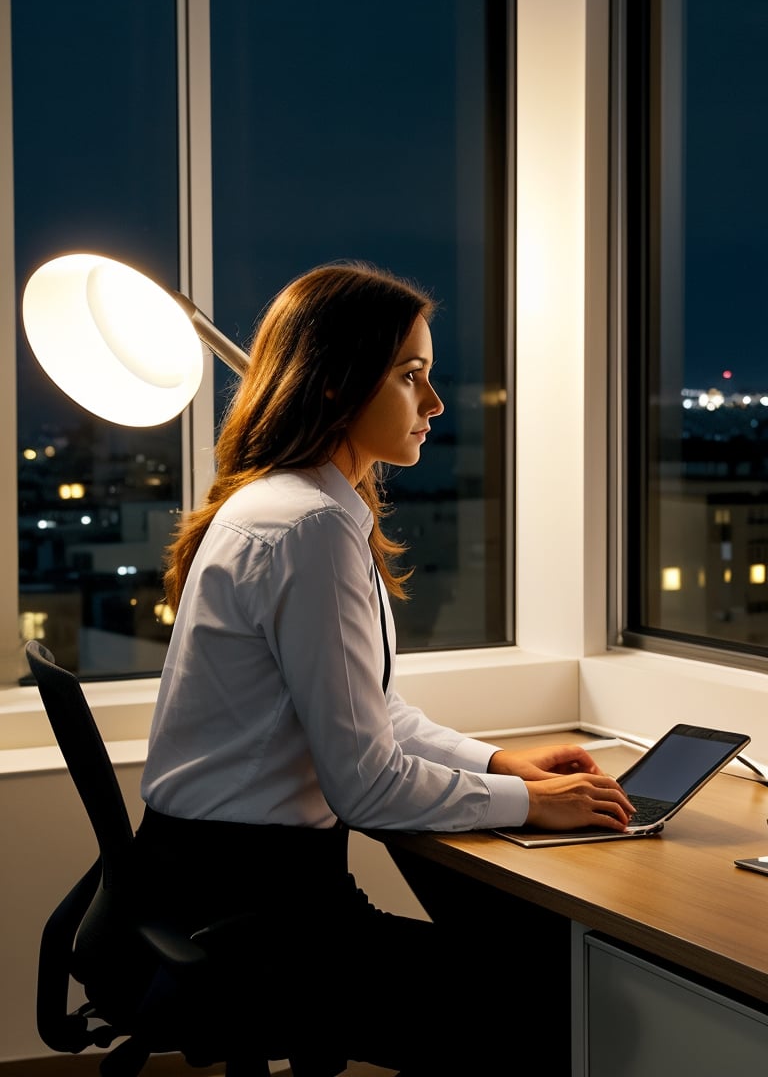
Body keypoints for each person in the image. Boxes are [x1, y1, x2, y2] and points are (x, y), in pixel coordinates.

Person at [129, 260, 635, 1075]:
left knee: (537, 982)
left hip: (203, 886)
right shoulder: (310, 528)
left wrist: (502, 764)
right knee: (553, 1006)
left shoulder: (283, 504)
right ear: (334, 384)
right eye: (411, 377)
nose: (434, 405)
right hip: (254, 918)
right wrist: (529, 807)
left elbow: (368, 712)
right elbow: (364, 785)